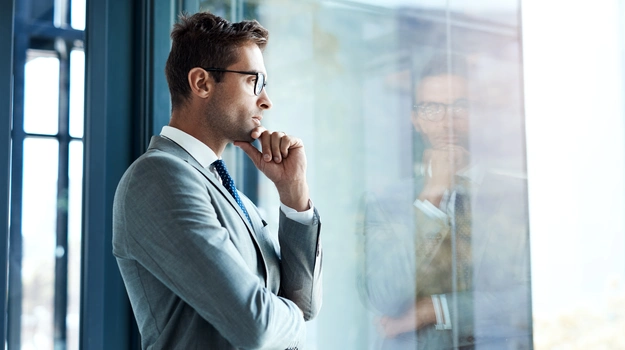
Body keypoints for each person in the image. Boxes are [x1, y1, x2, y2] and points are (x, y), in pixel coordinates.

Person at [112, 11, 322, 349]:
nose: (266, 101)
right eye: (254, 81)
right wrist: (287, 317)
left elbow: (305, 304)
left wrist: (293, 195)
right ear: (202, 83)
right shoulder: (159, 178)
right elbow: (257, 326)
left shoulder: (231, 194)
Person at [359, 53, 532, 349]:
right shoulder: (385, 202)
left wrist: (434, 310)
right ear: (415, 120)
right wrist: (431, 198)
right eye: (431, 108)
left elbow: (532, 297)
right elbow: (384, 296)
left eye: (460, 107)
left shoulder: (520, 197)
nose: (447, 121)